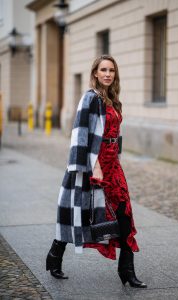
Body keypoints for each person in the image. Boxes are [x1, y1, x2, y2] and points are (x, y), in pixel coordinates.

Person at [46, 54, 147, 288]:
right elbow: (80, 134)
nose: (108, 74)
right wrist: (94, 166)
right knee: (80, 216)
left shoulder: (113, 100)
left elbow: (114, 136)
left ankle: (127, 271)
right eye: (103, 70)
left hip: (114, 166)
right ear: (95, 73)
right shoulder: (90, 98)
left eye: (111, 70)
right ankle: (54, 256)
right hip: (93, 166)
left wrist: (115, 159)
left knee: (124, 216)